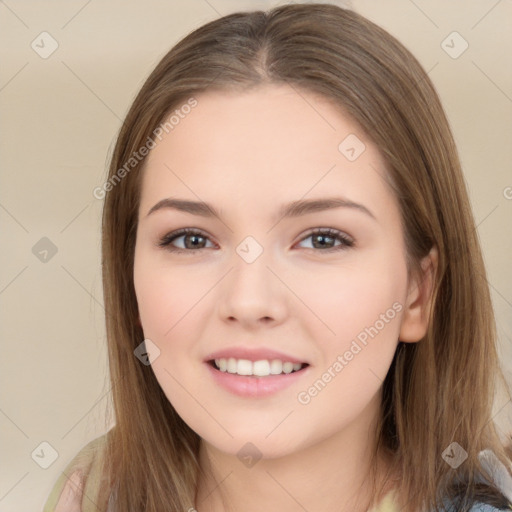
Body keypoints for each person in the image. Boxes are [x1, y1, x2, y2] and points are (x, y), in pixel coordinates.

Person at [43, 3, 512, 511]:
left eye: (322, 239)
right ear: (131, 281)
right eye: (191, 240)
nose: (248, 301)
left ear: (418, 292)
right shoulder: (89, 494)